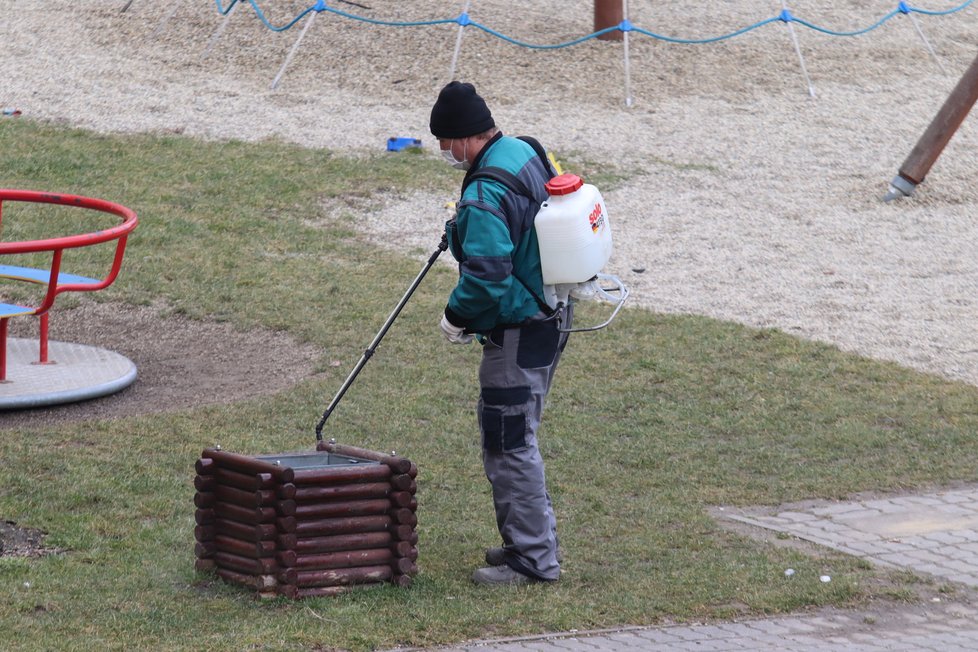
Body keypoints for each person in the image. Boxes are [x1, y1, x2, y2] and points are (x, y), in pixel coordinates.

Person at [429, 81, 573, 586]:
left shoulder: (484, 188)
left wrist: (455, 316)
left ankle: (533, 561)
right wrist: (460, 229)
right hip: (553, 316)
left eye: (445, 143)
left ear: (464, 138)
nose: (445, 153)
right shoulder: (524, 149)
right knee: (517, 436)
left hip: (517, 331)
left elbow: (488, 275)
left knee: (510, 443)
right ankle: (525, 541)